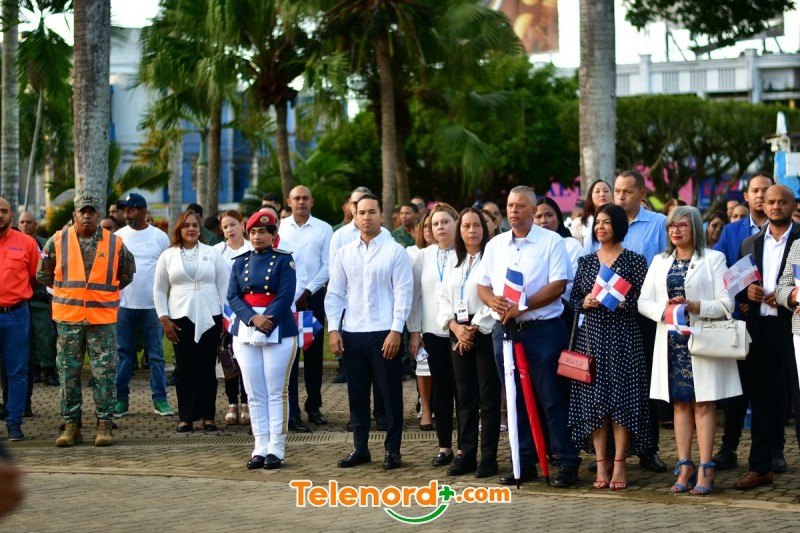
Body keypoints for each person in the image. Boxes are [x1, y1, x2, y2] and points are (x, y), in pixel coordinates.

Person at [477, 185, 581, 488]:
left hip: (543, 331)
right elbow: (482, 284)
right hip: (505, 332)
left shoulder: (551, 242)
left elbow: (558, 285)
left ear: (533, 211)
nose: (513, 211)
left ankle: (566, 461)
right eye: (510, 205)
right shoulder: (496, 244)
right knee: (514, 399)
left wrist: (522, 305)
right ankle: (524, 462)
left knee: (552, 398)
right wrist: (493, 301)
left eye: (520, 206)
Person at [639, 206, 742, 495]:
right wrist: (665, 311)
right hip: (671, 341)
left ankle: (706, 468)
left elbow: (726, 304)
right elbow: (643, 301)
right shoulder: (660, 261)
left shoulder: (713, 259)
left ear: (695, 228)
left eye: (682, 225)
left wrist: (694, 305)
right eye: (671, 226)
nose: (675, 230)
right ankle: (684, 465)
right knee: (679, 404)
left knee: (704, 403)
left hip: (702, 339)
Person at [584, 170, 669, 473]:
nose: (619, 196)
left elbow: (665, 264)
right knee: (605, 388)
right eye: (617, 190)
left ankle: (648, 448)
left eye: (627, 191)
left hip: (643, 315)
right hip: (601, 323)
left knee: (642, 383)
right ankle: (606, 454)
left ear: (642, 194)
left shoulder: (658, 223)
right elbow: (589, 268)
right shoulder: (601, 223)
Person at [37, 195, 136, 447]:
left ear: (98, 214)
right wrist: (68, 292)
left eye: (91, 211)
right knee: (68, 373)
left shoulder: (114, 242)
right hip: (68, 320)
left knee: (104, 373)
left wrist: (101, 294)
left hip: (101, 320)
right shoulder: (57, 241)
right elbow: (43, 274)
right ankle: (72, 425)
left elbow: (126, 274)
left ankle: (104, 424)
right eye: (83, 211)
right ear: (75, 214)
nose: (87, 215)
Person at [568, 204, 652, 491]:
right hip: (591, 339)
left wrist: (622, 302)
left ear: (618, 225)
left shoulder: (634, 261)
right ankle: (601, 461)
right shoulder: (586, 262)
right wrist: (585, 302)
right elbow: (573, 300)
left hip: (624, 338)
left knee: (622, 401)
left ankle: (619, 463)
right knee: (594, 402)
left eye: (606, 222)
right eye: (597, 223)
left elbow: (644, 301)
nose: (600, 227)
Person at [326, 193, 413, 470]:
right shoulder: (345, 252)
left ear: (382, 216)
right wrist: (333, 329)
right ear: (354, 215)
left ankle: (392, 450)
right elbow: (335, 293)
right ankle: (360, 448)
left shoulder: (395, 251)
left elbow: (403, 294)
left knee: (390, 394)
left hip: (384, 332)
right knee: (357, 394)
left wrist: (396, 330)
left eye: (372, 212)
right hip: (353, 333)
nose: (366, 217)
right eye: (361, 212)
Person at [732, 185, 800, 489]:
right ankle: (760, 467)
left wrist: (786, 297)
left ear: (792, 205)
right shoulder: (750, 243)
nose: (775, 206)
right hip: (760, 328)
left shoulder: (799, 240)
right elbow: (735, 285)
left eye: (782, 202)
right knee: (761, 399)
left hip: (794, 326)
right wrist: (747, 292)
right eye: (771, 201)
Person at [712, 172, 774, 471]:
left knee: (773, 389)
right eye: (755, 190)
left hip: (775, 319)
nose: (761, 195)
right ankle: (729, 446)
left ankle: (774, 449)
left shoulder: (785, 231)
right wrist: (741, 299)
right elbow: (721, 272)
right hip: (741, 320)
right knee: (737, 389)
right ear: (746, 196)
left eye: (766, 190)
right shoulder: (731, 232)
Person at [228, 211, 299, 470]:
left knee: (276, 391)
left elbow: (286, 294)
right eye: (253, 232)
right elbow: (232, 296)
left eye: (263, 232)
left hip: (277, 326)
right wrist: (252, 319)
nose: (257, 236)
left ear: (273, 235)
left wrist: (266, 319)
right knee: (254, 392)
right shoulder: (240, 261)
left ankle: (276, 448)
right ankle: (260, 446)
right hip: (247, 327)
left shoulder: (284, 260)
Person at [437, 207, 500, 477]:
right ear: (459, 231)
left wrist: (473, 329)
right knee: (464, 397)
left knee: (488, 397)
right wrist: (455, 328)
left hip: (484, 330)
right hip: (457, 329)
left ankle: (489, 458)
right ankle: (467, 454)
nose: (471, 231)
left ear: (484, 230)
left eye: (476, 226)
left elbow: (495, 296)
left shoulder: (493, 259)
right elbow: (443, 299)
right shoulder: (454, 261)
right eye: (466, 226)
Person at [153, 210, 228, 432]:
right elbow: (159, 289)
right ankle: (186, 416)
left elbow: (224, 287)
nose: (191, 229)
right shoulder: (168, 255)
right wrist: (164, 318)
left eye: (195, 225)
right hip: (179, 318)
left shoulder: (212, 253)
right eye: (186, 225)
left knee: (207, 367)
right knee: (185, 368)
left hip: (210, 315)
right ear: (179, 229)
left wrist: (225, 319)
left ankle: (208, 416)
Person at [409, 203, 461, 468]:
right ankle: (444, 446)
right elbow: (414, 297)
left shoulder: (465, 254)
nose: (440, 227)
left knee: (462, 390)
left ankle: (464, 447)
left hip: (460, 332)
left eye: (445, 222)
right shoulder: (423, 256)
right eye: (434, 224)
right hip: (432, 332)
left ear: (456, 223)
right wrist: (414, 330)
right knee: (441, 390)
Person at [113, 193, 174, 418]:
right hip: (123, 306)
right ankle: (121, 399)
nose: (126, 214)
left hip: (153, 307)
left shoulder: (159, 237)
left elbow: (168, 271)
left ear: (142, 211)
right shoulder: (117, 237)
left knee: (156, 355)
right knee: (123, 354)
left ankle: (160, 399)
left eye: (131, 210)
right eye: (125, 210)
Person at [279, 185, 333, 428]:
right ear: (289, 202)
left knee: (313, 354)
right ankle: (291, 410)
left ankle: (314, 406)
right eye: (297, 198)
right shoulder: (280, 228)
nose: (301, 202)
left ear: (312, 202)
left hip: (313, 298)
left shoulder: (324, 228)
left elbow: (327, 265)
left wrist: (307, 291)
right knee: (289, 354)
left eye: (305, 198)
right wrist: (294, 295)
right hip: (286, 300)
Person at [0, 199, 41, 441]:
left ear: (12, 215)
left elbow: (36, 276)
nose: (0, 215)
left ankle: (14, 422)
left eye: (4, 211)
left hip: (16, 315)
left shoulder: (27, 243)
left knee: (17, 372)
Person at [214, 210, 254, 426]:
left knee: (246, 357)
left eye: (233, 224)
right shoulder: (216, 251)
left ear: (242, 224)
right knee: (227, 357)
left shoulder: (252, 248)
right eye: (225, 227)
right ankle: (232, 402)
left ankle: (247, 401)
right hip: (225, 312)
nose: (229, 230)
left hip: (248, 311)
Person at [17, 212, 58, 390]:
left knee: (44, 336)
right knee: (25, 338)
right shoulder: (13, 243)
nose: (25, 225)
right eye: (22, 222)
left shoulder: (44, 244)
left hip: (40, 299)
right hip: (19, 300)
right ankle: (33, 369)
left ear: (36, 225)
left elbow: (51, 269)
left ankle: (48, 369)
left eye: (29, 222)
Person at [571, 180, 612, 246]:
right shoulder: (579, 223)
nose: (602, 194)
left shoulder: (619, 220)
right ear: (591, 196)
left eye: (606, 191)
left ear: (612, 196)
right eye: (597, 191)